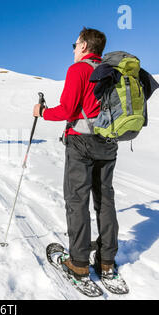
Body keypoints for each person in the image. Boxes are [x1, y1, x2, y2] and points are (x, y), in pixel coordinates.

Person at [33, 28, 120, 281]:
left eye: (75, 44)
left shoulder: (79, 70)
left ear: (83, 46)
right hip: (108, 142)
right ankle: (106, 262)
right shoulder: (111, 70)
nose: (73, 49)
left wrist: (42, 112)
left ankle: (79, 263)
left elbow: (68, 109)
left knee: (77, 200)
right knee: (105, 200)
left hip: (81, 142)